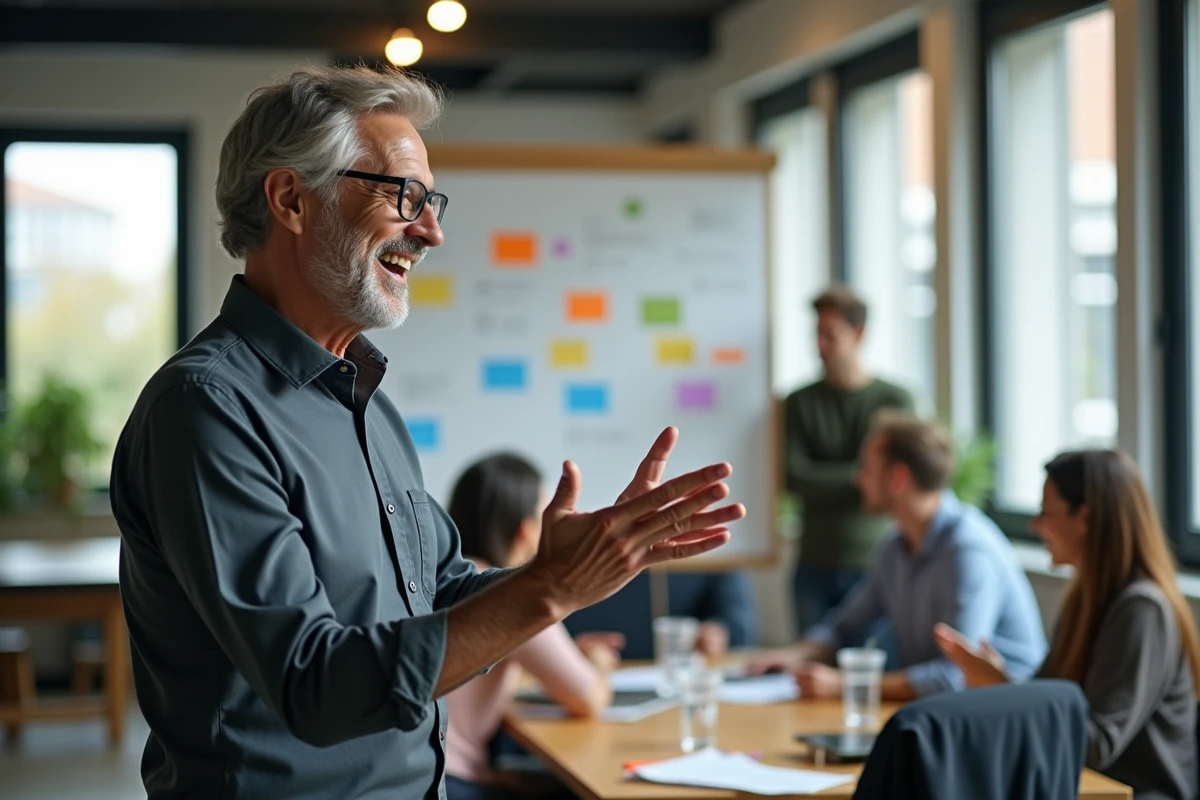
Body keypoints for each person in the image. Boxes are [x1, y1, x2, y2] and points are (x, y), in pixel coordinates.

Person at [110, 65, 745, 800]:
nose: (432, 231)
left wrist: (575, 571)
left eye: (431, 201)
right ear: (291, 200)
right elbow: (311, 682)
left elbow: (441, 592)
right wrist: (549, 588)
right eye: (403, 196)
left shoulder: (367, 403)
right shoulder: (206, 409)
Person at [936, 450, 1200, 800]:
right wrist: (1000, 683)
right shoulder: (1083, 599)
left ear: (1085, 517)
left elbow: (1097, 745)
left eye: (1046, 511)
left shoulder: (1142, 611)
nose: (1035, 525)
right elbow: (1050, 704)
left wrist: (1006, 690)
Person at [752, 411, 1046, 700]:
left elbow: (954, 675)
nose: (857, 480)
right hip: (948, 710)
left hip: (1009, 712)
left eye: (866, 469)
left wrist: (846, 684)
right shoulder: (894, 547)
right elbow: (845, 628)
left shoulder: (968, 551)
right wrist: (796, 655)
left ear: (897, 478)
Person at [444, 454, 619, 800]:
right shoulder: (512, 591)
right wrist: (598, 663)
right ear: (526, 531)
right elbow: (589, 698)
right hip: (453, 785)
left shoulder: (441, 578)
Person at [784, 286, 913, 636]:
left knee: (875, 661)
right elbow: (794, 477)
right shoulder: (799, 402)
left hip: (876, 562)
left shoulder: (895, 400)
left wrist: (826, 479)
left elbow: (898, 480)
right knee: (811, 658)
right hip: (813, 562)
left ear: (859, 333)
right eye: (816, 334)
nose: (820, 346)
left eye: (830, 335)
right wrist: (864, 476)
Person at [562, 571, 757, 660]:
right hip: (592, 678)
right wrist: (566, 652)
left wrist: (719, 632)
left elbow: (738, 620)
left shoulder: (713, 551)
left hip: (683, 682)